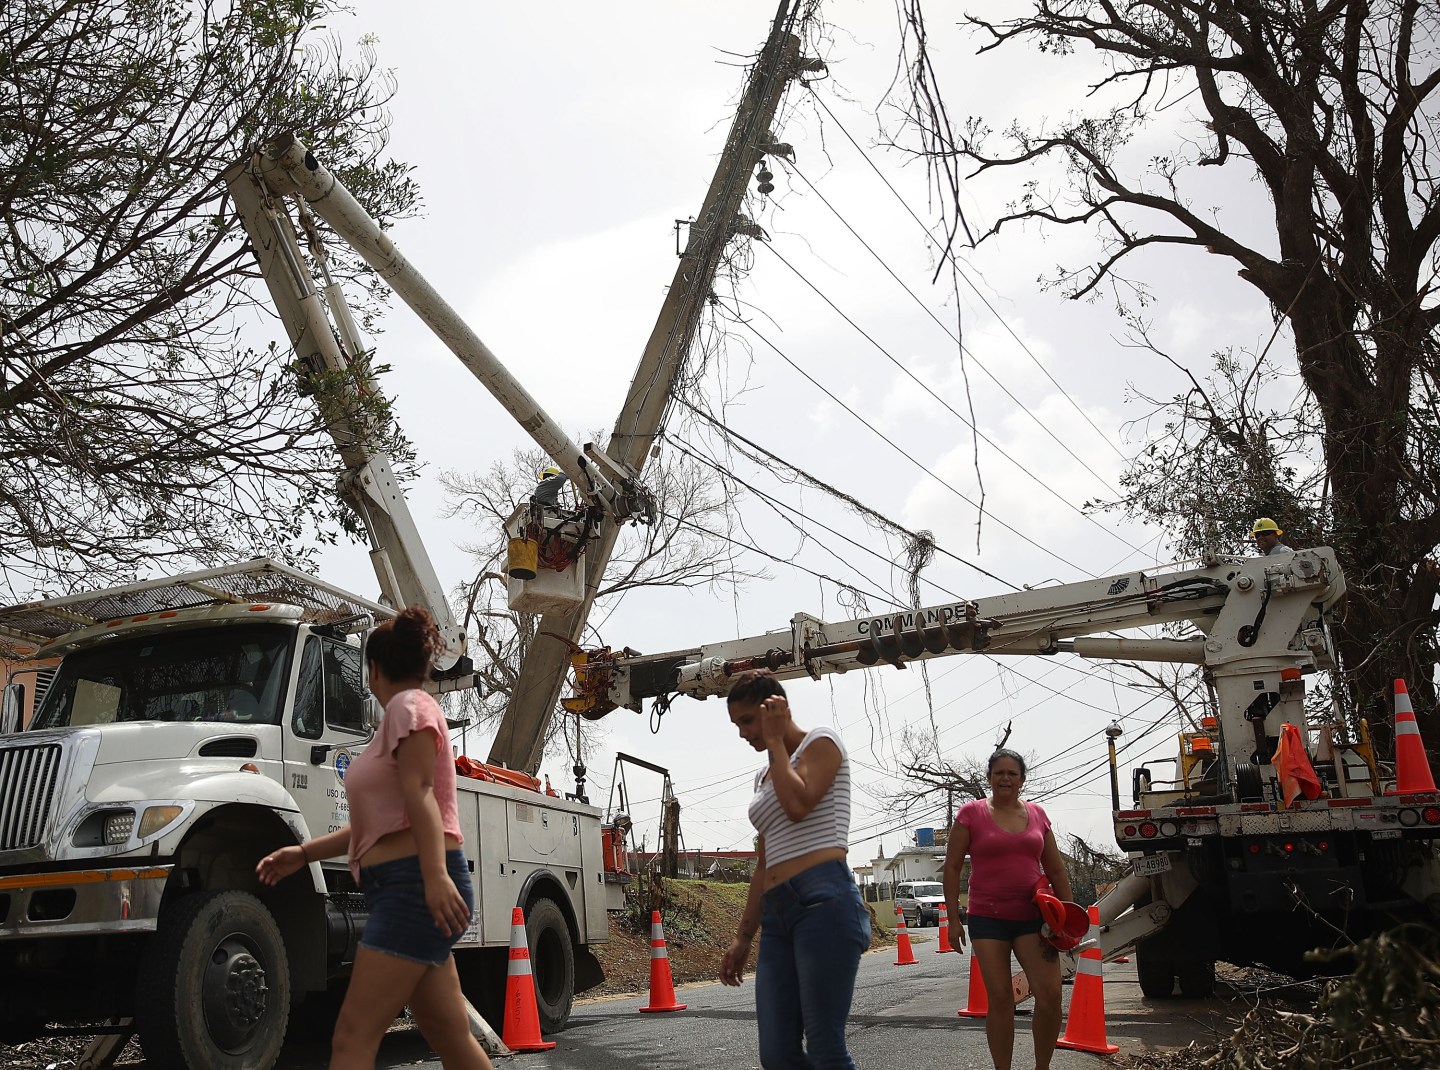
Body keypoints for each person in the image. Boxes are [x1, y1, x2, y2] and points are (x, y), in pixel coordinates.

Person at [256, 608, 492, 1070]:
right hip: (405, 886)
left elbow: (421, 791)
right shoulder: (398, 721)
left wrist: (434, 876)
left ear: (375, 670)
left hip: (411, 889)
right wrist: (303, 853)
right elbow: (372, 828)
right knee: (450, 1036)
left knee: (351, 1038)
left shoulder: (409, 706)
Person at [718, 669, 870, 1070]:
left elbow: (798, 805)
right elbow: (765, 860)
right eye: (737, 724)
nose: (742, 733)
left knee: (824, 1048)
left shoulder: (821, 742)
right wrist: (743, 936)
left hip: (824, 903)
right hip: (778, 914)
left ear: (776, 711)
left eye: (748, 720)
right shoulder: (765, 775)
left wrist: (773, 742)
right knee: (778, 1055)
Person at [943, 749, 1072, 1070]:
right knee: (1001, 998)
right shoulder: (970, 814)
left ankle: (1042, 1066)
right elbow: (952, 867)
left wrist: (1067, 916)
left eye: (1012, 773)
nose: (1005, 778)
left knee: (1051, 997)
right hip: (987, 919)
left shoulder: (1038, 816)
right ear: (988, 778)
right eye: (998, 772)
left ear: (1022, 780)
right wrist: (954, 920)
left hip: (1033, 918)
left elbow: (1056, 870)